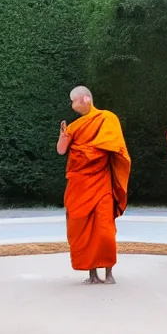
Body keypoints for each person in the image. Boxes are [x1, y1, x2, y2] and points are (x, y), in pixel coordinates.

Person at [57, 86, 131, 284]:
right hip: (79, 184)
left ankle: (108, 273)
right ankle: (92, 274)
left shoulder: (107, 118)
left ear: (86, 98)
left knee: (104, 229)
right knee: (82, 227)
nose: (72, 106)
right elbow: (61, 151)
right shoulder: (74, 126)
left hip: (101, 184)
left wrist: (91, 151)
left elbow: (115, 147)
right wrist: (62, 136)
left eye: (74, 101)